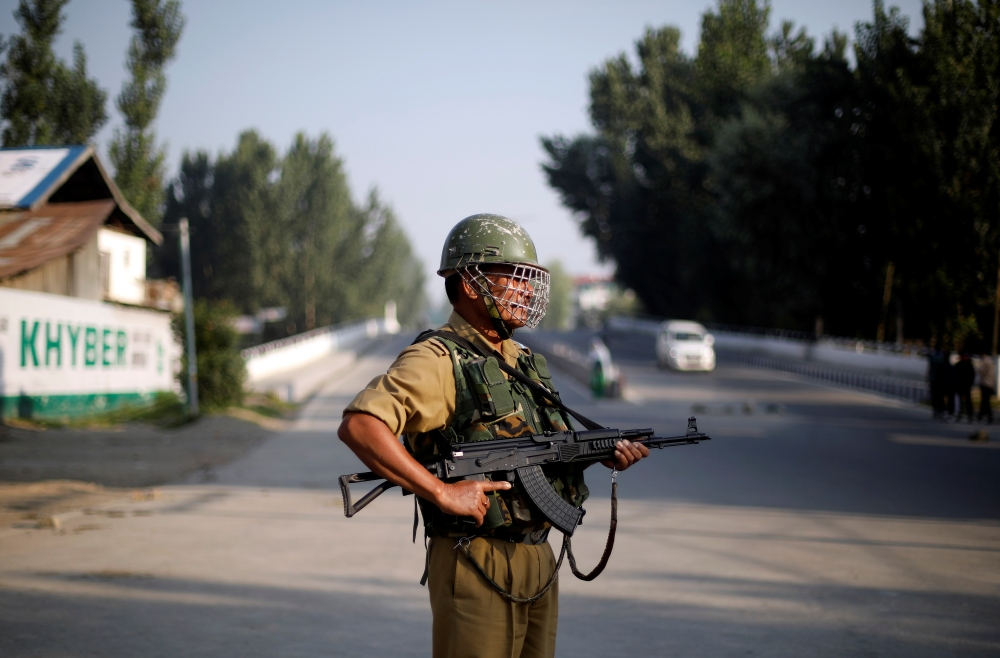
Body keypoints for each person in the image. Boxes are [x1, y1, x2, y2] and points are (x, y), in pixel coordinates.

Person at [337, 214, 648, 658]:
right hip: (476, 556)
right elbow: (360, 425)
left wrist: (598, 452)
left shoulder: (520, 359)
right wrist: (441, 492)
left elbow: (534, 450)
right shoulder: (438, 358)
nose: (526, 290)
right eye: (515, 278)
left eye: (529, 280)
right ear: (470, 284)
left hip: (537, 556)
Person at [954, 352, 975, 423]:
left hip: (965, 385)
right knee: (963, 401)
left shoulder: (966, 365)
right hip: (962, 385)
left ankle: (968, 415)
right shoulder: (960, 365)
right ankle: (964, 414)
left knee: (966, 401)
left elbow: (972, 376)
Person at [977, 354, 995, 423]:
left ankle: (988, 416)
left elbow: (980, 370)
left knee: (985, 401)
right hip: (990, 383)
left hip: (985, 383)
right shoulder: (991, 361)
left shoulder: (985, 361)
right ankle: (981, 414)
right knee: (985, 400)